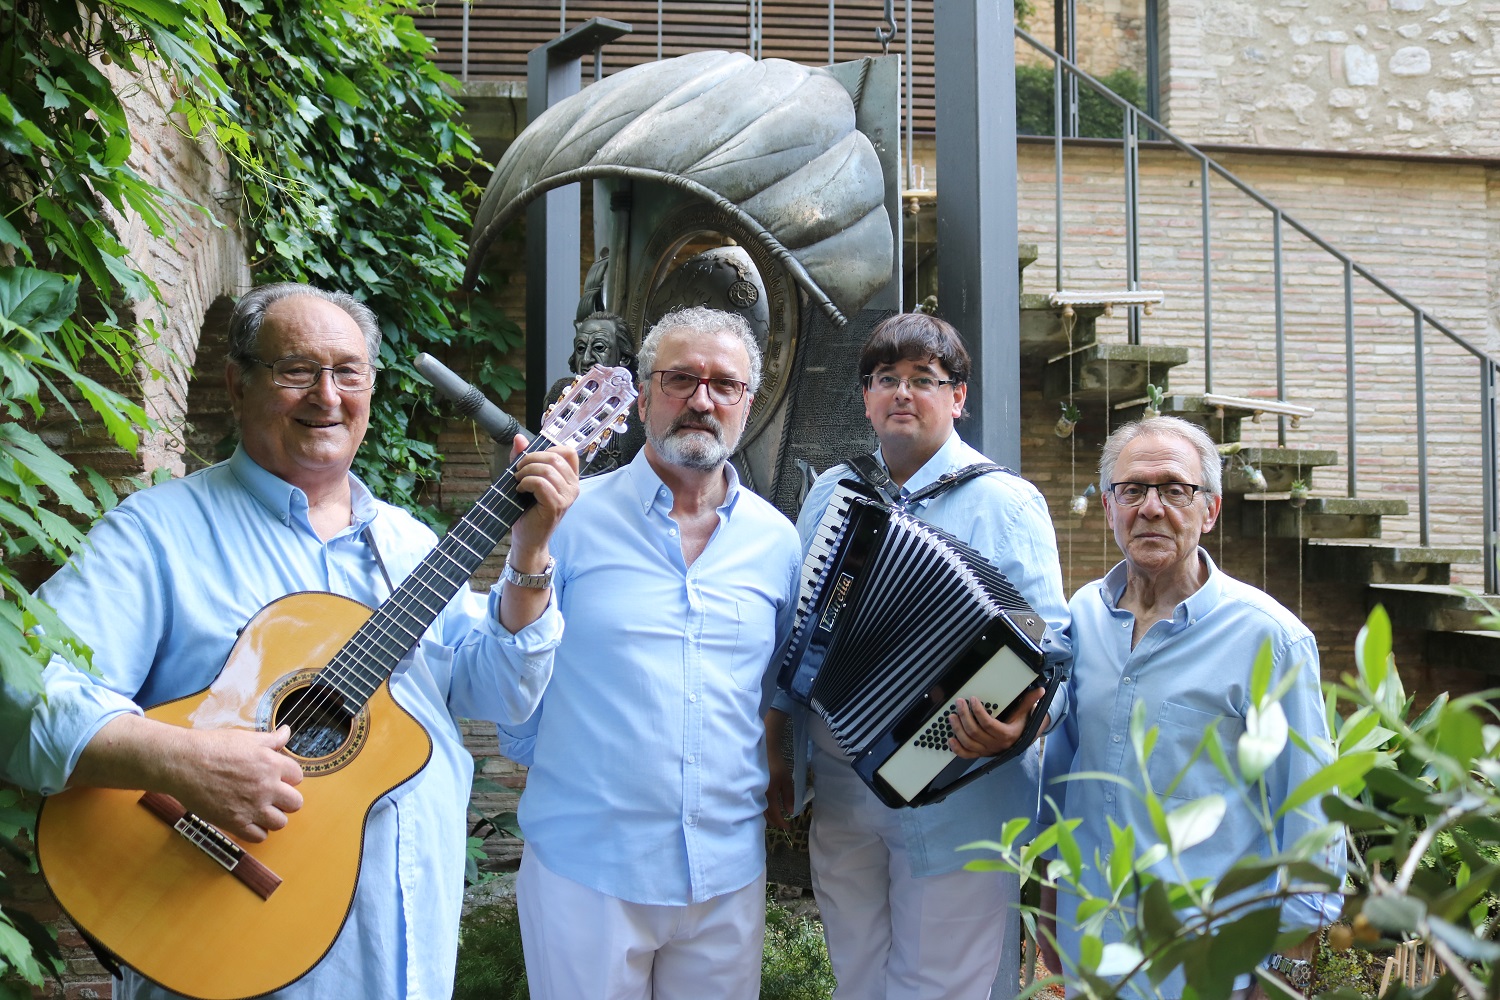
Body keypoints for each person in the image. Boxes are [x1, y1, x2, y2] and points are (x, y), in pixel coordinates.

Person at [0, 282, 581, 998]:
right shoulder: (157, 534)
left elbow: (501, 691)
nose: (327, 396)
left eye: (348, 372)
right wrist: (181, 760)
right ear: (237, 382)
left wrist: (528, 558)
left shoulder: (408, 545)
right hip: (223, 945)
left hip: (406, 960)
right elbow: (20, 693)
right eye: (297, 369)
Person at [498, 306, 803, 999]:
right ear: (641, 398)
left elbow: (773, 686)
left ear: (747, 404)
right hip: (589, 869)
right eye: (680, 379)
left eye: (725, 384)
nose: (702, 399)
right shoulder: (566, 523)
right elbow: (515, 670)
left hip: (725, 874)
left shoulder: (777, 542)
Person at [765, 311, 1071, 1000]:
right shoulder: (832, 494)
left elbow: (1052, 650)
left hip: (957, 782)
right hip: (843, 780)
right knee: (859, 975)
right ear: (866, 398)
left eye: (923, 380)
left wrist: (1023, 723)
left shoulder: (1008, 503)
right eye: (884, 379)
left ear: (957, 397)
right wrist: (777, 743)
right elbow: (801, 627)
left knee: (943, 986)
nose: (902, 393)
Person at [1039, 416, 1343, 998]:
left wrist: (1286, 975)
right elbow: (1062, 779)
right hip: (1092, 955)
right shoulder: (1082, 617)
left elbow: (1310, 824)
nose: (1151, 507)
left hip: (1207, 968)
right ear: (1108, 507)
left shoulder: (1270, 640)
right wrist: (1052, 916)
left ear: (1211, 510)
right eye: (1132, 490)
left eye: (1176, 489)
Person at [543, 311, 644, 475]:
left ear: (624, 358)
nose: (585, 359)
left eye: (599, 348)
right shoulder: (561, 392)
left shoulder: (642, 405)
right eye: (580, 348)